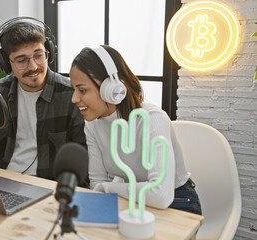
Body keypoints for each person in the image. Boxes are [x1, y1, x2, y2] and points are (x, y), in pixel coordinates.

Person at [70, 45, 201, 214]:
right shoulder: (92, 124)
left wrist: (109, 188)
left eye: (82, 90)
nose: (74, 98)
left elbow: (161, 195)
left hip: (178, 202)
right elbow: (98, 185)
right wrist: (107, 188)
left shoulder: (153, 119)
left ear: (111, 88)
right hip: (133, 200)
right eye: (74, 89)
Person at [0, 17, 86, 182]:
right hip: (2, 179)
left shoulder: (71, 95)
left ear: (49, 52)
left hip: (49, 186)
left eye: (39, 55)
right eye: (22, 60)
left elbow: (83, 155)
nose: (33, 67)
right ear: (7, 63)